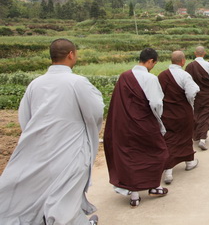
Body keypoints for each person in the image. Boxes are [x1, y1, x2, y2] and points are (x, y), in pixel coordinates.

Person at [0, 39, 104, 225]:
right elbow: (96, 112)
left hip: (40, 150)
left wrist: (37, 138)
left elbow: (25, 117)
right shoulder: (77, 82)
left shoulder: (35, 84)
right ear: (71, 54)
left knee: (41, 190)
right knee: (65, 197)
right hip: (70, 149)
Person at [104, 47, 169, 207]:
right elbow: (156, 104)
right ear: (150, 61)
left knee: (131, 157)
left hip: (125, 125)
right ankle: (155, 186)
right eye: (154, 63)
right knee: (158, 152)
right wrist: (158, 119)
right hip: (145, 124)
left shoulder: (124, 76)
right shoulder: (150, 78)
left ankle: (134, 195)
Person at [158, 50, 200, 185]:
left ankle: (170, 170)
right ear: (183, 61)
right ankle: (187, 163)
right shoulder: (184, 75)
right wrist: (190, 105)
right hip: (183, 112)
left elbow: (157, 95)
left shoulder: (162, 76)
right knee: (185, 136)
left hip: (167, 113)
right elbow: (191, 93)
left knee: (169, 139)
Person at [185, 46, 209, 151]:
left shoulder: (189, 66)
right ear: (204, 54)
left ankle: (196, 136)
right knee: (205, 115)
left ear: (195, 53)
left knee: (195, 114)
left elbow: (186, 82)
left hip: (194, 95)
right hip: (206, 94)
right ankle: (202, 139)